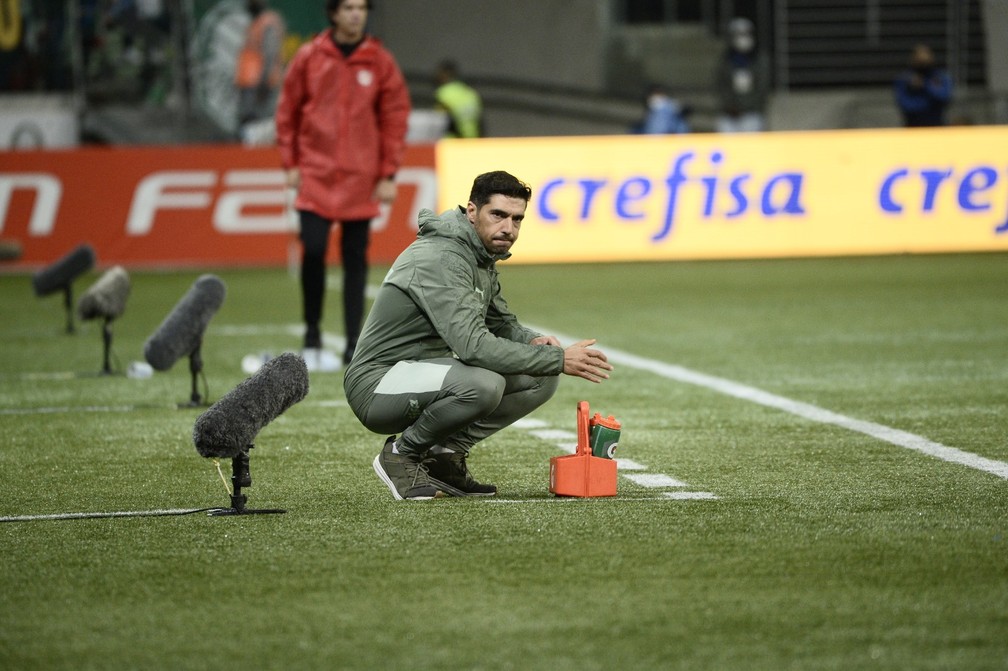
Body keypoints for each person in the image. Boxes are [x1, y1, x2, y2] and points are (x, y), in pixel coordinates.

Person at [343, 171, 614, 500]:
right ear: (472, 211)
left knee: (540, 377)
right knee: (485, 384)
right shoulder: (444, 257)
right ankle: (402, 454)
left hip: (421, 372)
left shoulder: (477, 254)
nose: (508, 228)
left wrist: (531, 340)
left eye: (517, 219)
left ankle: (443, 457)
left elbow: (500, 322)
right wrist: (558, 358)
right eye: (498, 215)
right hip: (377, 383)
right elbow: (473, 347)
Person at [275, 0, 411, 371]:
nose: (356, 14)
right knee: (314, 249)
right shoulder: (309, 56)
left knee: (356, 261)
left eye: (362, 8)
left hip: (359, 178)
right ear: (334, 13)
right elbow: (287, 112)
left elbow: (394, 118)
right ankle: (312, 336)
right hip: (315, 173)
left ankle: (354, 343)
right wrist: (291, 163)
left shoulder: (379, 60)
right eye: (349, 7)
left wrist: (388, 173)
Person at [235, 0, 286, 137]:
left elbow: (270, 53)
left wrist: (264, 82)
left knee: (261, 125)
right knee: (249, 125)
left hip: (261, 83)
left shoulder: (267, 23)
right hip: (250, 82)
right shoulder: (255, 22)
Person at [713, 17, 771, 133]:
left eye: (746, 34)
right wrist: (730, 106)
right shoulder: (726, 60)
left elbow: (762, 88)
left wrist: (745, 107)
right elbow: (720, 85)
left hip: (752, 113)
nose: (743, 38)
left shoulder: (759, 60)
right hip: (730, 115)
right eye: (739, 34)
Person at [894, 44, 953, 127]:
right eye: (919, 59)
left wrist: (924, 85)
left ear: (932, 58)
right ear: (912, 59)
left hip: (937, 126)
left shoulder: (941, 77)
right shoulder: (904, 79)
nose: (922, 60)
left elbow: (945, 98)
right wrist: (932, 104)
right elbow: (906, 105)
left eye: (925, 58)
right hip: (913, 127)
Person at [433, 59, 484, 138]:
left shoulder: (443, 93)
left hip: (452, 141)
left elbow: (443, 120)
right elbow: (480, 121)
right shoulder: (471, 93)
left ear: (445, 74)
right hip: (472, 141)